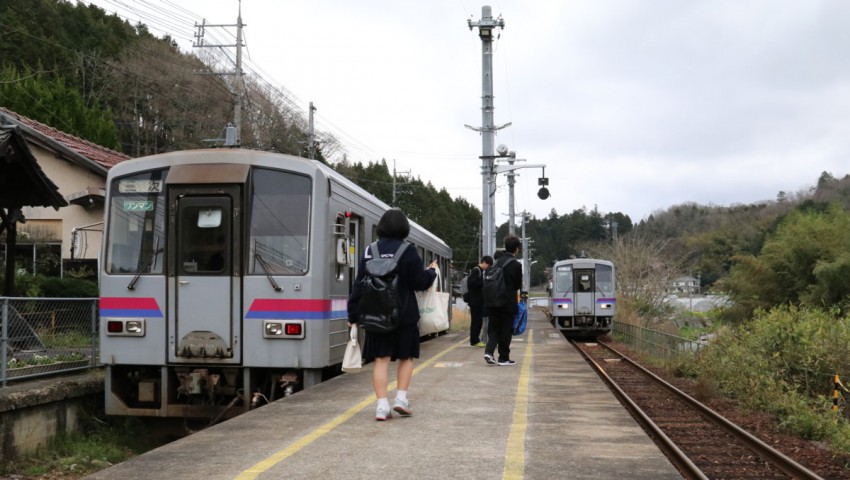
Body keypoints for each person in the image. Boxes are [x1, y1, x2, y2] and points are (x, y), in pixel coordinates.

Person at [347, 208, 438, 421]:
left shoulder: (370, 250)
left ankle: (381, 406)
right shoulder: (408, 251)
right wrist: (432, 271)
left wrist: (353, 314)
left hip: (376, 316)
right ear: (404, 228)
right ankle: (401, 399)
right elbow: (419, 282)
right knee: (405, 358)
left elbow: (359, 285)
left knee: (381, 360)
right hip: (404, 316)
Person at [484, 236, 523, 366]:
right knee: (506, 329)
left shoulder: (496, 262)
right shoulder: (516, 265)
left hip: (493, 301)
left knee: (494, 329)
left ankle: (489, 352)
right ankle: (503, 357)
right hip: (507, 302)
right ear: (517, 249)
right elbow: (517, 285)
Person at [467, 255, 493, 347]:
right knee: (476, 321)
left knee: (478, 321)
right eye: (488, 265)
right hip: (475, 300)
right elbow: (471, 282)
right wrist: (484, 283)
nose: (488, 268)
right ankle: (474, 340)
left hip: (477, 300)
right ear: (485, 262)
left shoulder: (479, 271)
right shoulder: (476, 270)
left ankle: (475, 339)